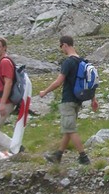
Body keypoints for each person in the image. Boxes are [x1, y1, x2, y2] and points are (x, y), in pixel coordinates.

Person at [39, 35, 98, 165]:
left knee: (70, 129)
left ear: (65, 45)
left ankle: (83, 157)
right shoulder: (83, 61)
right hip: (78, 99)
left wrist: (45, 91)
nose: (61, 49)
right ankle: (58, 156)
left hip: (68, 100)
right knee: (68, 128)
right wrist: (93, 99)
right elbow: (90, 81)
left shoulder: (68, 62)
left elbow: (58, 82)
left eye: (61, 46)